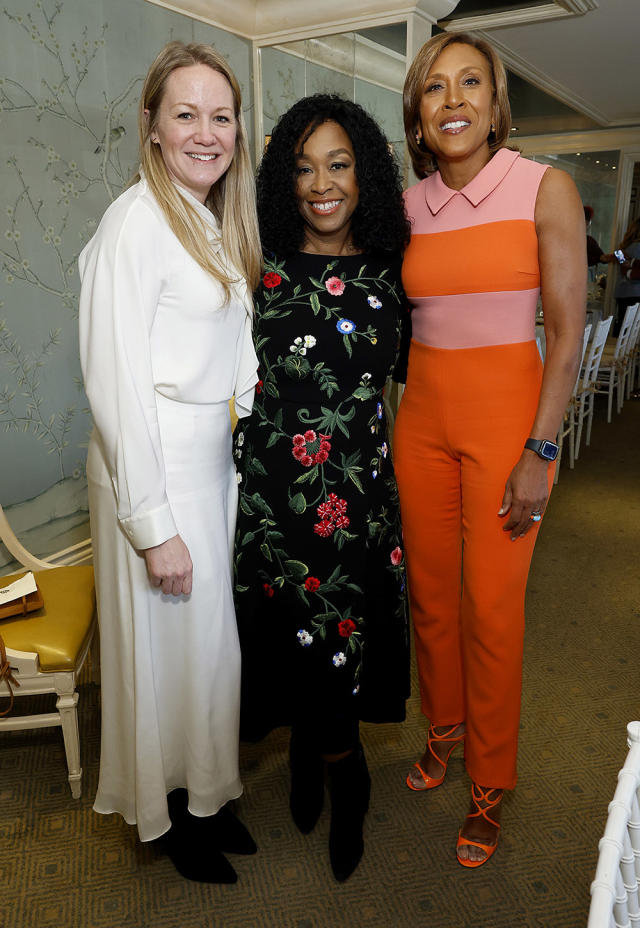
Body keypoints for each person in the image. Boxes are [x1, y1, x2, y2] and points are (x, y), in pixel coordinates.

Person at [394, 32, 586, 868]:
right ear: (419, 113)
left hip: (510, 419)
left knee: (492, 609)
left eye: (471, 82)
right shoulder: (407, 206)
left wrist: (541, 451)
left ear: (496, 101)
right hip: (422, 423)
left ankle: (491, 782)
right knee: (431, 599)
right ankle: (441, 731)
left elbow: (570, 333)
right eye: (435, 88)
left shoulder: (546, 188)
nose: (454, 100)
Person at [78, 41, 261, 884]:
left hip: (208, 470)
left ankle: (208, 795)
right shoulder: (135, 222)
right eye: (185, 114)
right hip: (152, 472)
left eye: (219, 116)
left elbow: (231, 346)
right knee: (165, 656)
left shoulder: (210, 223)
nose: (205, 132)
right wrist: (153, 527)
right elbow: (115, 383)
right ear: (152, 126)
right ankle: (170, 817)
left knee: (208, 652)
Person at [233, 94, 411, 882]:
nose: (321, 184)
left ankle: (348, 776)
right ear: (283, 181)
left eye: (338, 164)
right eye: (303, 168)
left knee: (342, 641)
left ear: (364, 173)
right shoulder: (254, 268)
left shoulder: (394, 272)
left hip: (357, 500)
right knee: (287, 639)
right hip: (274, 498)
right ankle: (309, 753)